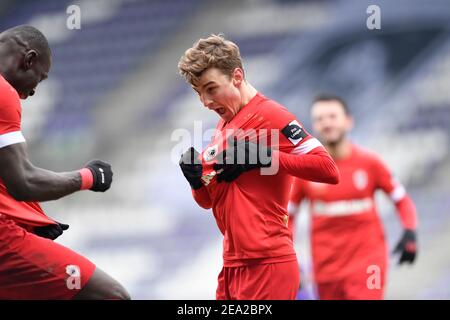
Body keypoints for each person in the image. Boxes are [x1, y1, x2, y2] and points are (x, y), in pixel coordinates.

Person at [177, 34, 340, 300]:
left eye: (211, 88)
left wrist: (266, 157)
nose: (205, 102)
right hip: (232, 266)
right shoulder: (223, 126)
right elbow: (208, 201)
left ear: (237, 77)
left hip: (268, 264)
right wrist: (195, 180)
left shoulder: (272, 115)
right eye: (199, 93)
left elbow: (328, 169)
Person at [0, 25, 130, 300]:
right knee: (111, 296)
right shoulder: (3, 93)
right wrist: (89, 177)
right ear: (29, 59)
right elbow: (24, 181)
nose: (33, 92)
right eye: (41, 77)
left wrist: (27, 217)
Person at [288, 94, 418, 300]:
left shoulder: (370, 163)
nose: (327, 123)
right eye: (320, 119)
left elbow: (402, 200)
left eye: (332, 116)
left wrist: (410, 231)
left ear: (348, 121)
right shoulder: (307, 170)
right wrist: (287, 256)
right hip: (325, 268)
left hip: (368, 263)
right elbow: (288, 216)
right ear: (314, 125)